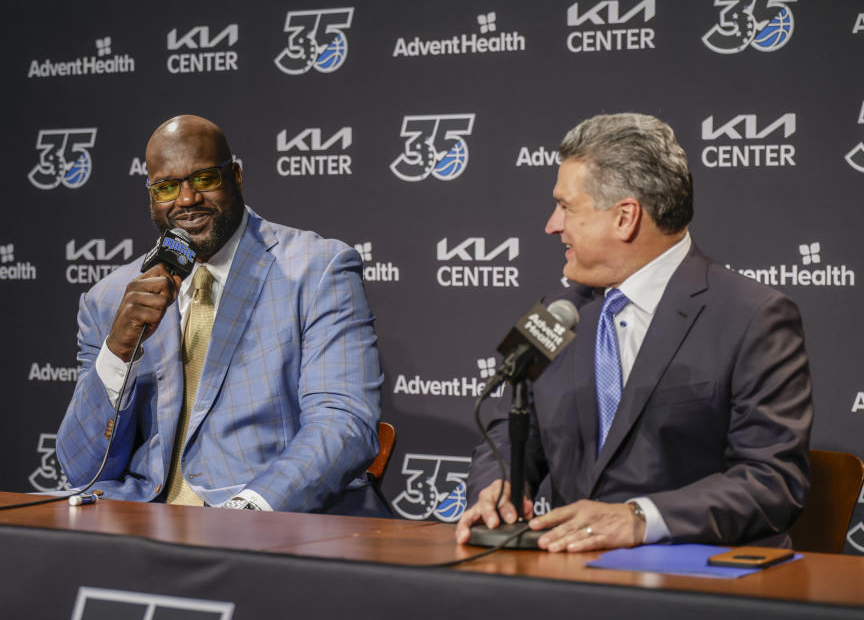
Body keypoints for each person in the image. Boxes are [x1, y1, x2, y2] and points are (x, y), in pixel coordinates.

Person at [456, 113, 812, 550]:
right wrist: (499, 487)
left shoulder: (755, 315)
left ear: (625, 217)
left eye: (566, 207)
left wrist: (640, 519)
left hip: (695, 580)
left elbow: (771, 480)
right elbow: (509, 429)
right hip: (564, 575)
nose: (552, 225)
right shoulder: (554, 310)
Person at [56, 114, 388, 516]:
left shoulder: (316, 270)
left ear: (236, 177)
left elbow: (343, 424)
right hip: (145, 527)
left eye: (205, 179)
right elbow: (82, 469)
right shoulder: (110, 298)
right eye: (166, 187)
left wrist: (247, 512)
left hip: (269, 524)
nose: (186, 199)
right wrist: (118, 351)